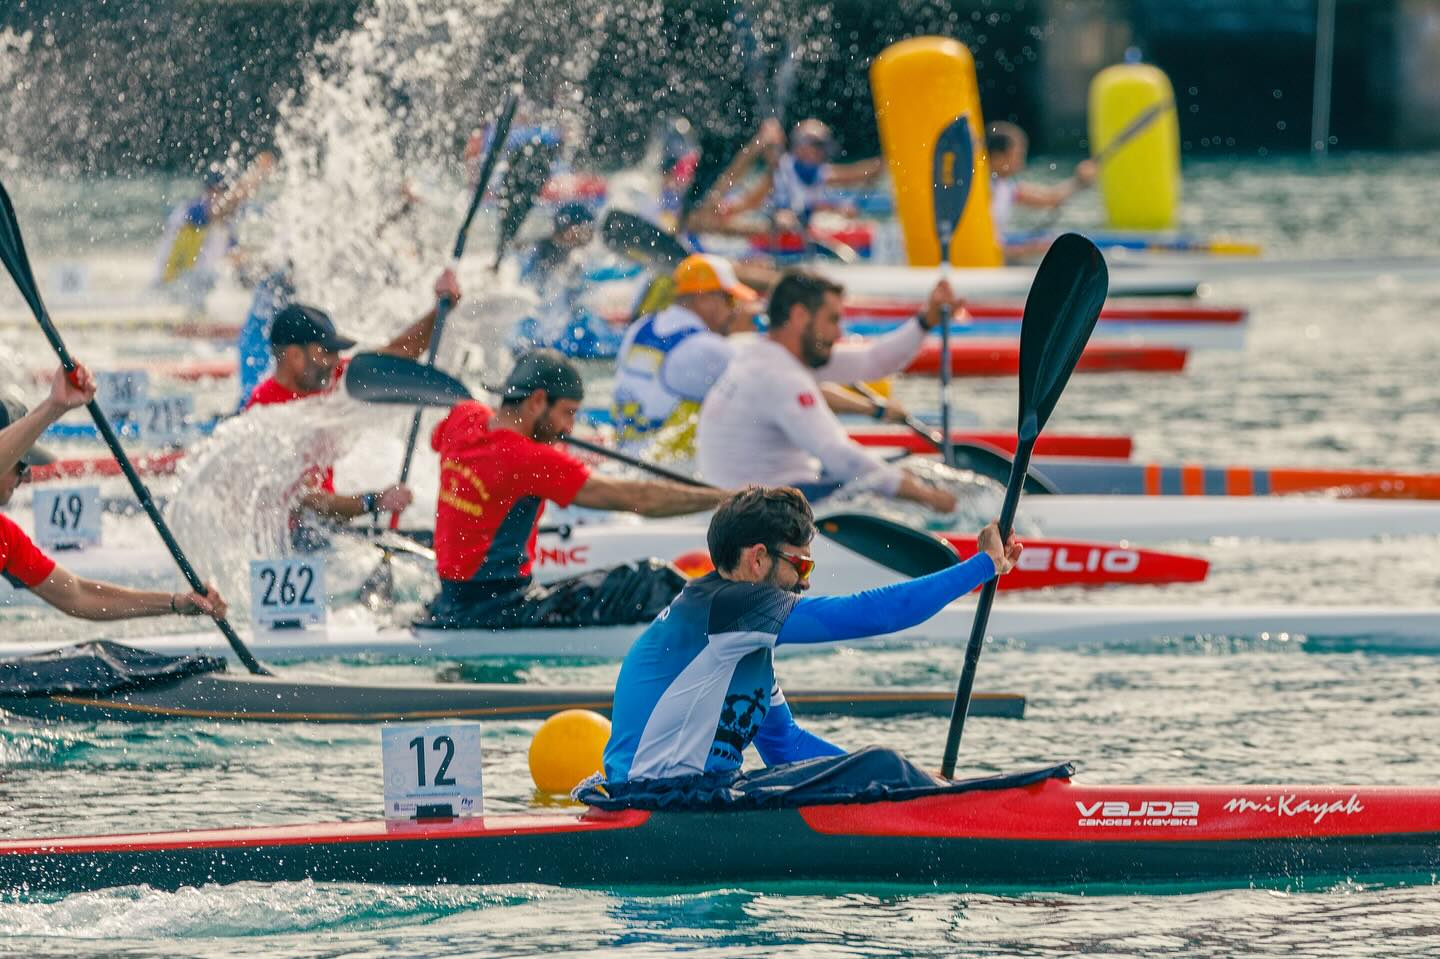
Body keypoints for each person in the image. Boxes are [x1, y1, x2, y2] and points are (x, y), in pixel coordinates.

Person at [601, 486, 1020, 783]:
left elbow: (786, 746)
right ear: (758, 558)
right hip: (655, 803)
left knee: (880, 770)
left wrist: (911, 786)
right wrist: (981, 565)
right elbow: (871, 614)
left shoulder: (740, 641)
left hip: (687, 800)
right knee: (881, 765)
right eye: (800, 567)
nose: (805, 584)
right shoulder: (730, 607)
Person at [419, 349, 731, 630]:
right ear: (538, 401)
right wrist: (724, 499)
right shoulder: (529, 459)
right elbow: (639, 500)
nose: (569, 429)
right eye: (568, 413)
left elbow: (438, 436)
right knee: (651, 581)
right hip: (498, 611)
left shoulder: (464, 418)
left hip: (450, 602)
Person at [697, 269, 961, 512]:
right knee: (896, 485)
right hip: (761, 512)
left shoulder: (766, 354)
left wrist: (926, 320)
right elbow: (837, 455)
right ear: (800, 316)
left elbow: (874, 360)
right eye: (833, 320)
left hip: (749, 499)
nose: (839, 333)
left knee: (891, 473)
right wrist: (925, 495)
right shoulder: (781, 376)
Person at [0, 366, 227, 621]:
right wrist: (53, 407)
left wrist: (176, 603)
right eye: (22, 463)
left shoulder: (6, 537)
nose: (29, 476)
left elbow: (78, 594)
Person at [244, 269, 460, 528]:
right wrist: (373, 501)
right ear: (294, 356)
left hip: (320, 528)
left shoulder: (327, 377)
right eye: (327, 352)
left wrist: (440, 310)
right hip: (279, 538)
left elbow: (400, 351)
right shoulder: (265, 412)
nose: (335, 361)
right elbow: (305, 501)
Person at [610, 254, 759, 454]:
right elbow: (766, 397)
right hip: (669, 470)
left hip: (623, 452)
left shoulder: (640, 327)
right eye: (730, 300)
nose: (735, 311)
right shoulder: (707, 349)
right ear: (704, 299)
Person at [152, 153, 275, 308]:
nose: (236, 200)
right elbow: (220, 207)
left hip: (195, 291)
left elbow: (236, 258)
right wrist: (256, 175)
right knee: (216, 278)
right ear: (210, 191)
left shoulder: (225, 227)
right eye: (224, 191)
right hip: (169, 290)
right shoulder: (190, 211)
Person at [987, 121, 1096, 240]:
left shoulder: (1007, 188)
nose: (1022, 163)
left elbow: (1051, 198)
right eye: (1018, 154)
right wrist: (1029, 249)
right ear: (997, 156)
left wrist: (1080, 180)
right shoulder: (982, 188)